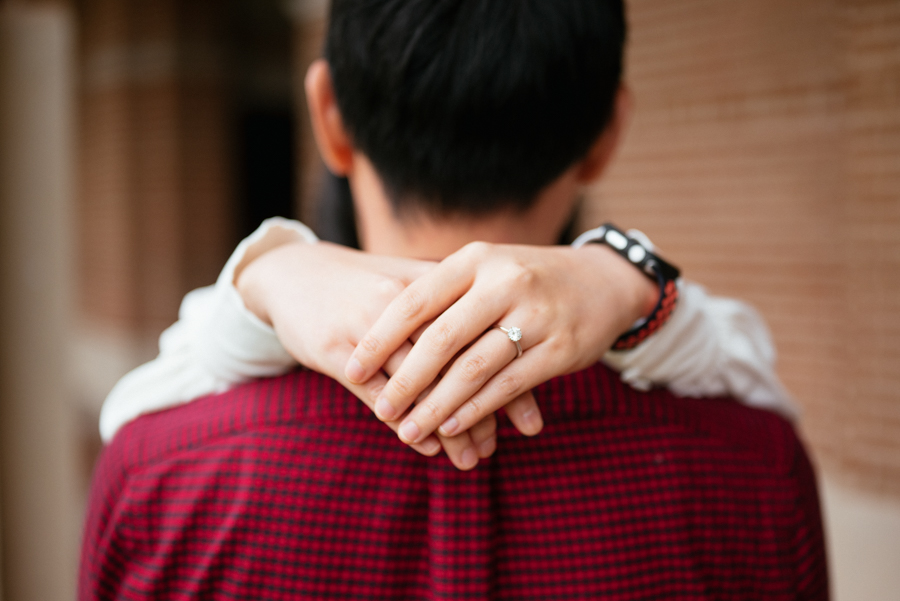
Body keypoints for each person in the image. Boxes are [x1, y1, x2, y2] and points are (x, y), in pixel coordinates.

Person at [79, 0, 827, 598]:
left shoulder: (155, 469)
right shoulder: (757, 468)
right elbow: (749, 369)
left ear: (329, 114)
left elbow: (132, 411)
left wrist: (267, 271)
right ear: (606, 132)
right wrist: (629, 275)